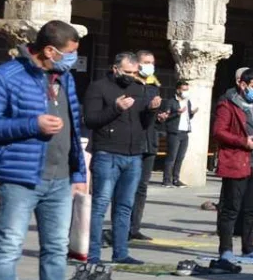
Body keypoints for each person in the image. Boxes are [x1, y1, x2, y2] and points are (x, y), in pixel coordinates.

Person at [0, 21, 91, 280]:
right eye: (69, 53)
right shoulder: (8, 76)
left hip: (61, 178)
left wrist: (79, 173)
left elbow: (74, 129)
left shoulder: (65, 79)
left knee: (56, 248)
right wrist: (31, 123)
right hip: (20, 178)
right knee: (9, 248)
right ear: (49, 50)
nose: (72, 60)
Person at [84, 52, 160, 267]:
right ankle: (93, 254)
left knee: (125, 206)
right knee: (100, 205)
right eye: (127, 72)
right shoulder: (98, 87)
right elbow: (91, 120)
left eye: (134, 72)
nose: (131, 76)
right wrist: (115, 108)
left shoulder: (139, 88)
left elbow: (143, 123)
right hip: (107, 153)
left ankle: (120, 252)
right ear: (115, 69)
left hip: (133, 155)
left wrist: (152, 110)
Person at [211, 70, 253, 268]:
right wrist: (242, 141)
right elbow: (218, 131)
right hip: (237, 162)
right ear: (243, 85)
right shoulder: (227, 103)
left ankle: (249, 246)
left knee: (252, 208)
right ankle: (226, 249)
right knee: (231, 208)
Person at [129, 50, 168, 243]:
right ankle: (123, 226)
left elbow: (154, 117)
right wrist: (148, 107)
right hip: (132, 141)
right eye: (146, 62)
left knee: (142, 187)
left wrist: (160, 116)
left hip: (149, 142)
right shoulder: (129, 85)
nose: (150, 65)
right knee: (127, 186)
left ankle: (135, 227)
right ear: (137, 64)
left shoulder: (154, 87)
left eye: (152, 62)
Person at [161, 79, 197, 188]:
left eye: (187, 89)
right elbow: (166, 117)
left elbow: (188, 117)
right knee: (171, 157)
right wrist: (177, 113)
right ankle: (166, 180)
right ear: (178, 90)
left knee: (180, 157)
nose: (186, 92)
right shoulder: (171, 102)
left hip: (185, 132)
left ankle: (176, 179)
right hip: (174, 132)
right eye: (183, 89)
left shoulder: (188, 102)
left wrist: (192, 113)